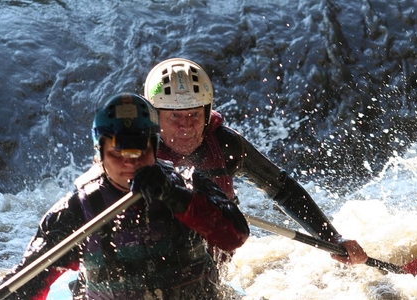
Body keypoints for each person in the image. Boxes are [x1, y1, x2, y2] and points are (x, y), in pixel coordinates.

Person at [0, 93, 249, 300]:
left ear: (155, 146)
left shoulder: (190, 185)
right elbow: (25, 284)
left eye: (138, 150)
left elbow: (235, 236)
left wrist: (173, 197)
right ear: (100, 153)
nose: (129, 163)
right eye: (117, 153)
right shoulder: (76, 211)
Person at [143, 58, 368, 265]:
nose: (186, 126)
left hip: (210, 261)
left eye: (194, 114)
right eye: (174, 116)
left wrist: (332, 237)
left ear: (207, 113)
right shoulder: (134, 152)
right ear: (154, 116)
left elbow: (284, 190)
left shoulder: (225, 145)